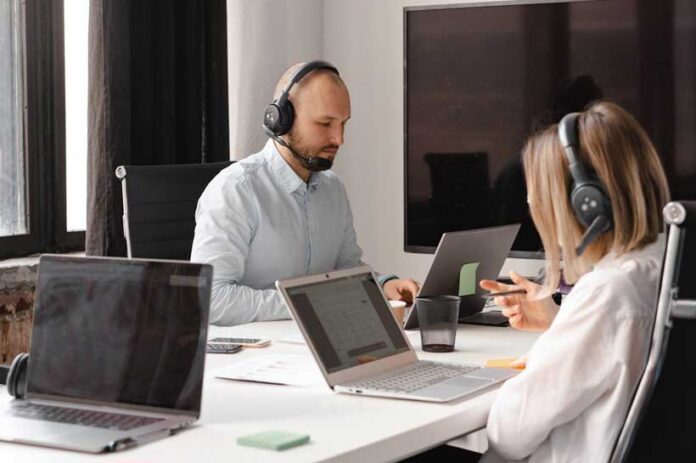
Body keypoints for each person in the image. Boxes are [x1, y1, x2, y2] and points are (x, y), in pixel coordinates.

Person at [477, 101, 670, 462]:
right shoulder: (667, 266)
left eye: (538, 197)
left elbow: (508, 433)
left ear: (587, 202)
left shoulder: (609, 292)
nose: (535, 207)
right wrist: (560, 324)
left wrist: (548, 350)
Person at [191, 61, 419, 326]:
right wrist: (311, 303)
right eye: (325, 123)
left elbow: (346, 270)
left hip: (321, 338)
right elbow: (210, 300)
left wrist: (383, 285)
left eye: (343, 124)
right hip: (261, 346)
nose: (339, 139)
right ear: (281, 119)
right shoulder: (235, 190)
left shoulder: (332, 188)